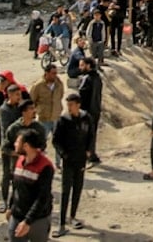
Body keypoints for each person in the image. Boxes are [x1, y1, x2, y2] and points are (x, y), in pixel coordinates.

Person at [53, 93, 93, 236]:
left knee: (77, 188)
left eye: (71, 104)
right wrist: (64, 154)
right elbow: (56, 140)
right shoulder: (63, 120)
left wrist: (89, 150)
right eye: (68, 104)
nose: (69, 107)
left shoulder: (86, 118)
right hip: (68, 160)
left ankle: (73, 216)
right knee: (65, 191)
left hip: (80, 159)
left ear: (78, 105)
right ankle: (61, 223)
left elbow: (91, 136)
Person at [8, 128, 54, 242]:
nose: (15, 144)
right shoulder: (20, 161)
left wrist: (28, 221)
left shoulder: (45, 167)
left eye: (18, 142)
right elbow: (16, 187)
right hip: (17, 215)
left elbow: (42, 197)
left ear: (26, 146)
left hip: (37, 220)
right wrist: (11, 207)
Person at [0, 86, 24, 213]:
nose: (19, 97)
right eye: (17, 95)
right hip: (8, 147)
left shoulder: (19, 108)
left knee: (17, 175)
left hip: (19, 147)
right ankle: (4, 200)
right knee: (7, 174)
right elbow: (6, 130)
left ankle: (15, 201)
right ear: (10, 95)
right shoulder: (4, 110)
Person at [30, 64, 64, 164]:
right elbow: (32, 100)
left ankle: (59, 163)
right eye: (53, 73)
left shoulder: (59, 84)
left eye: (56, 73)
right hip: (44, 118)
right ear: (47, 73)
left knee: (59, 141)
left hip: (56, 117)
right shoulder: (38, 86)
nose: (55, 75)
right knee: (41, 142)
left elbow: (60, 96)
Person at [76, 57, 103, 163]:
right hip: (95, 110)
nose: (80, 68)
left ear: (88, 65)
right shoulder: (97, 77)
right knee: (92, 134)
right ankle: (91, 154)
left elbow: (82, 95)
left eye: (82, 65)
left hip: (87, 111)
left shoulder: (86, 78)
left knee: (83, 135)